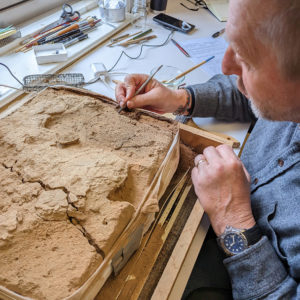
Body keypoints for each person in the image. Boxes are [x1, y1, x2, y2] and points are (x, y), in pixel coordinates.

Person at [115, 0, 300, 299]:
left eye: (247, 59)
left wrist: (232, 219)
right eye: (233, 44)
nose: (226, 66)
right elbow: (256, 93)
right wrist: (181, 98)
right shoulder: (286, 90)